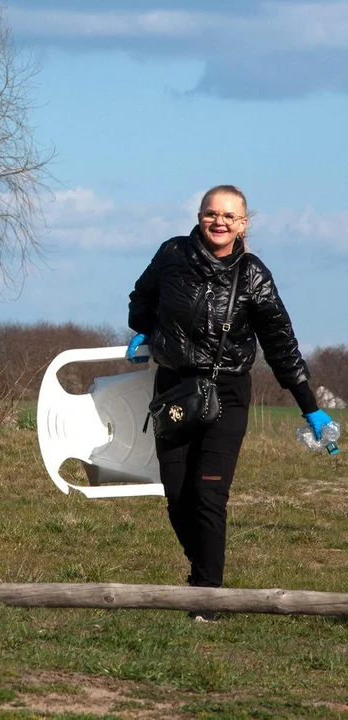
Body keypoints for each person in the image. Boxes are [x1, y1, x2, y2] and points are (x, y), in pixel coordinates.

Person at [126, 184, 332, 620]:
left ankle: (207, 597)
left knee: (208, 495)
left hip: (227, 393)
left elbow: (281, 344)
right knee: (178, 494)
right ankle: (203, 574)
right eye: (211, 214)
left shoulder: (253, 275)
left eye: (229, 216)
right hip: (175, 390)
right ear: (200, 216)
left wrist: (308, 405)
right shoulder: (173, 254)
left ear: (243, 224)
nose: (219, 222)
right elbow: (141, 297)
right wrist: (146, 330)